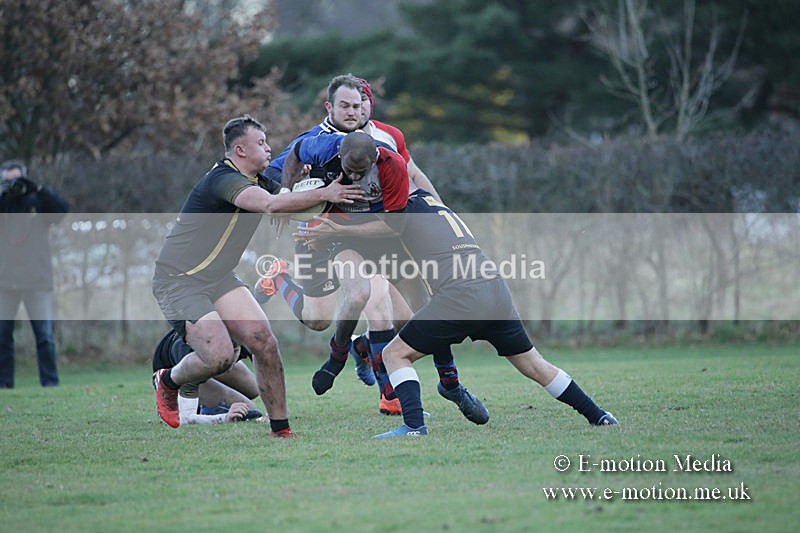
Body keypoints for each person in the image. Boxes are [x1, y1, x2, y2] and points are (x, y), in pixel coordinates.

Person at [300, 189, 619, 437]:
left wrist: (329, 232)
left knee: (395, 354)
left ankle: (413, 427)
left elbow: (376, 231)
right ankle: (599, 416)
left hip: (460, 296)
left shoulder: (399, 212)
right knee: (536, 365)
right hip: (495, 289)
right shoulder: (432, 201)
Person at [151, 114, 367, 436]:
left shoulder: (261, 180)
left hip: (219, 278)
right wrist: (326, 194)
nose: (269, 148)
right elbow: (270, 205)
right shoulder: (224, 179)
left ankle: (281, 430)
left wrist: (316, 186)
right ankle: (168, 380)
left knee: (264, 342)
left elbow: (289, 199)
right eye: (261, 143)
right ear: (240, 150)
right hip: (179, 281)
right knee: (220, 357)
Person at [257, 131, 409, 408]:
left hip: (367, 235)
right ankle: (279, 278)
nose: (354, 176)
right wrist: (285, 196)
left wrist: (338, 229)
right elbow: (294, 154)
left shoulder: (393, 165)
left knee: (394, 315)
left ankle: (388, 393)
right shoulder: (323, 145)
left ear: (375, 158)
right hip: (322, 233)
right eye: (349, 170)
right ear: (340, 155)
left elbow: (395, 227)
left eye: (361, 171)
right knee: (318, 320)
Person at [0, 160, 69, 388]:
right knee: (2, 337)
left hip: (37, 281)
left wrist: (38, 189)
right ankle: (4, 385)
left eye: (17, 180)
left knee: (45, 337)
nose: (13, 185)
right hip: (5, 282)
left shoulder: (37, 203)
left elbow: (62, 211)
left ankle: (50, 384)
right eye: (8, 181)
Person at [151, 329, 266, 425]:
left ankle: (209, 397)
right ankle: (206, 408)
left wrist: (271, 414)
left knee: (254, 389)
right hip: (177, 368)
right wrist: (225, 418)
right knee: (247, 409)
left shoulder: (240, 336)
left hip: (210, 355)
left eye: (235, 351)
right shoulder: (190, 360)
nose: (232, 359)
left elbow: (268, 369)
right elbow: (184, 418)